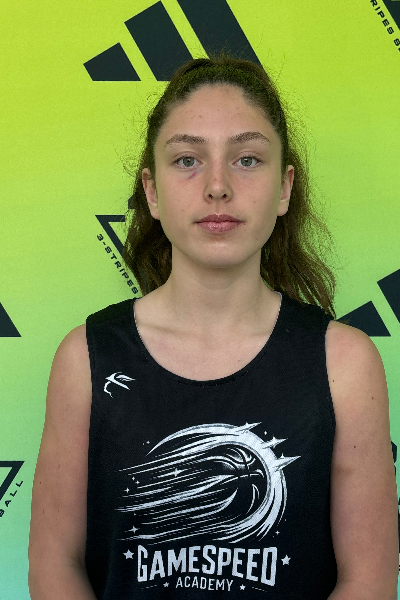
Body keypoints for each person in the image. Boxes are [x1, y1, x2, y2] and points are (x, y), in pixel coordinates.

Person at [28, 54, 398, 599]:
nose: (218, 186)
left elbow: (369, 581)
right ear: (152, 191)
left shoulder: (344, 364)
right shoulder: (86, 357)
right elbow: (54, 567)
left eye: (247, 159)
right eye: (187, 160)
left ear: (284, 187)